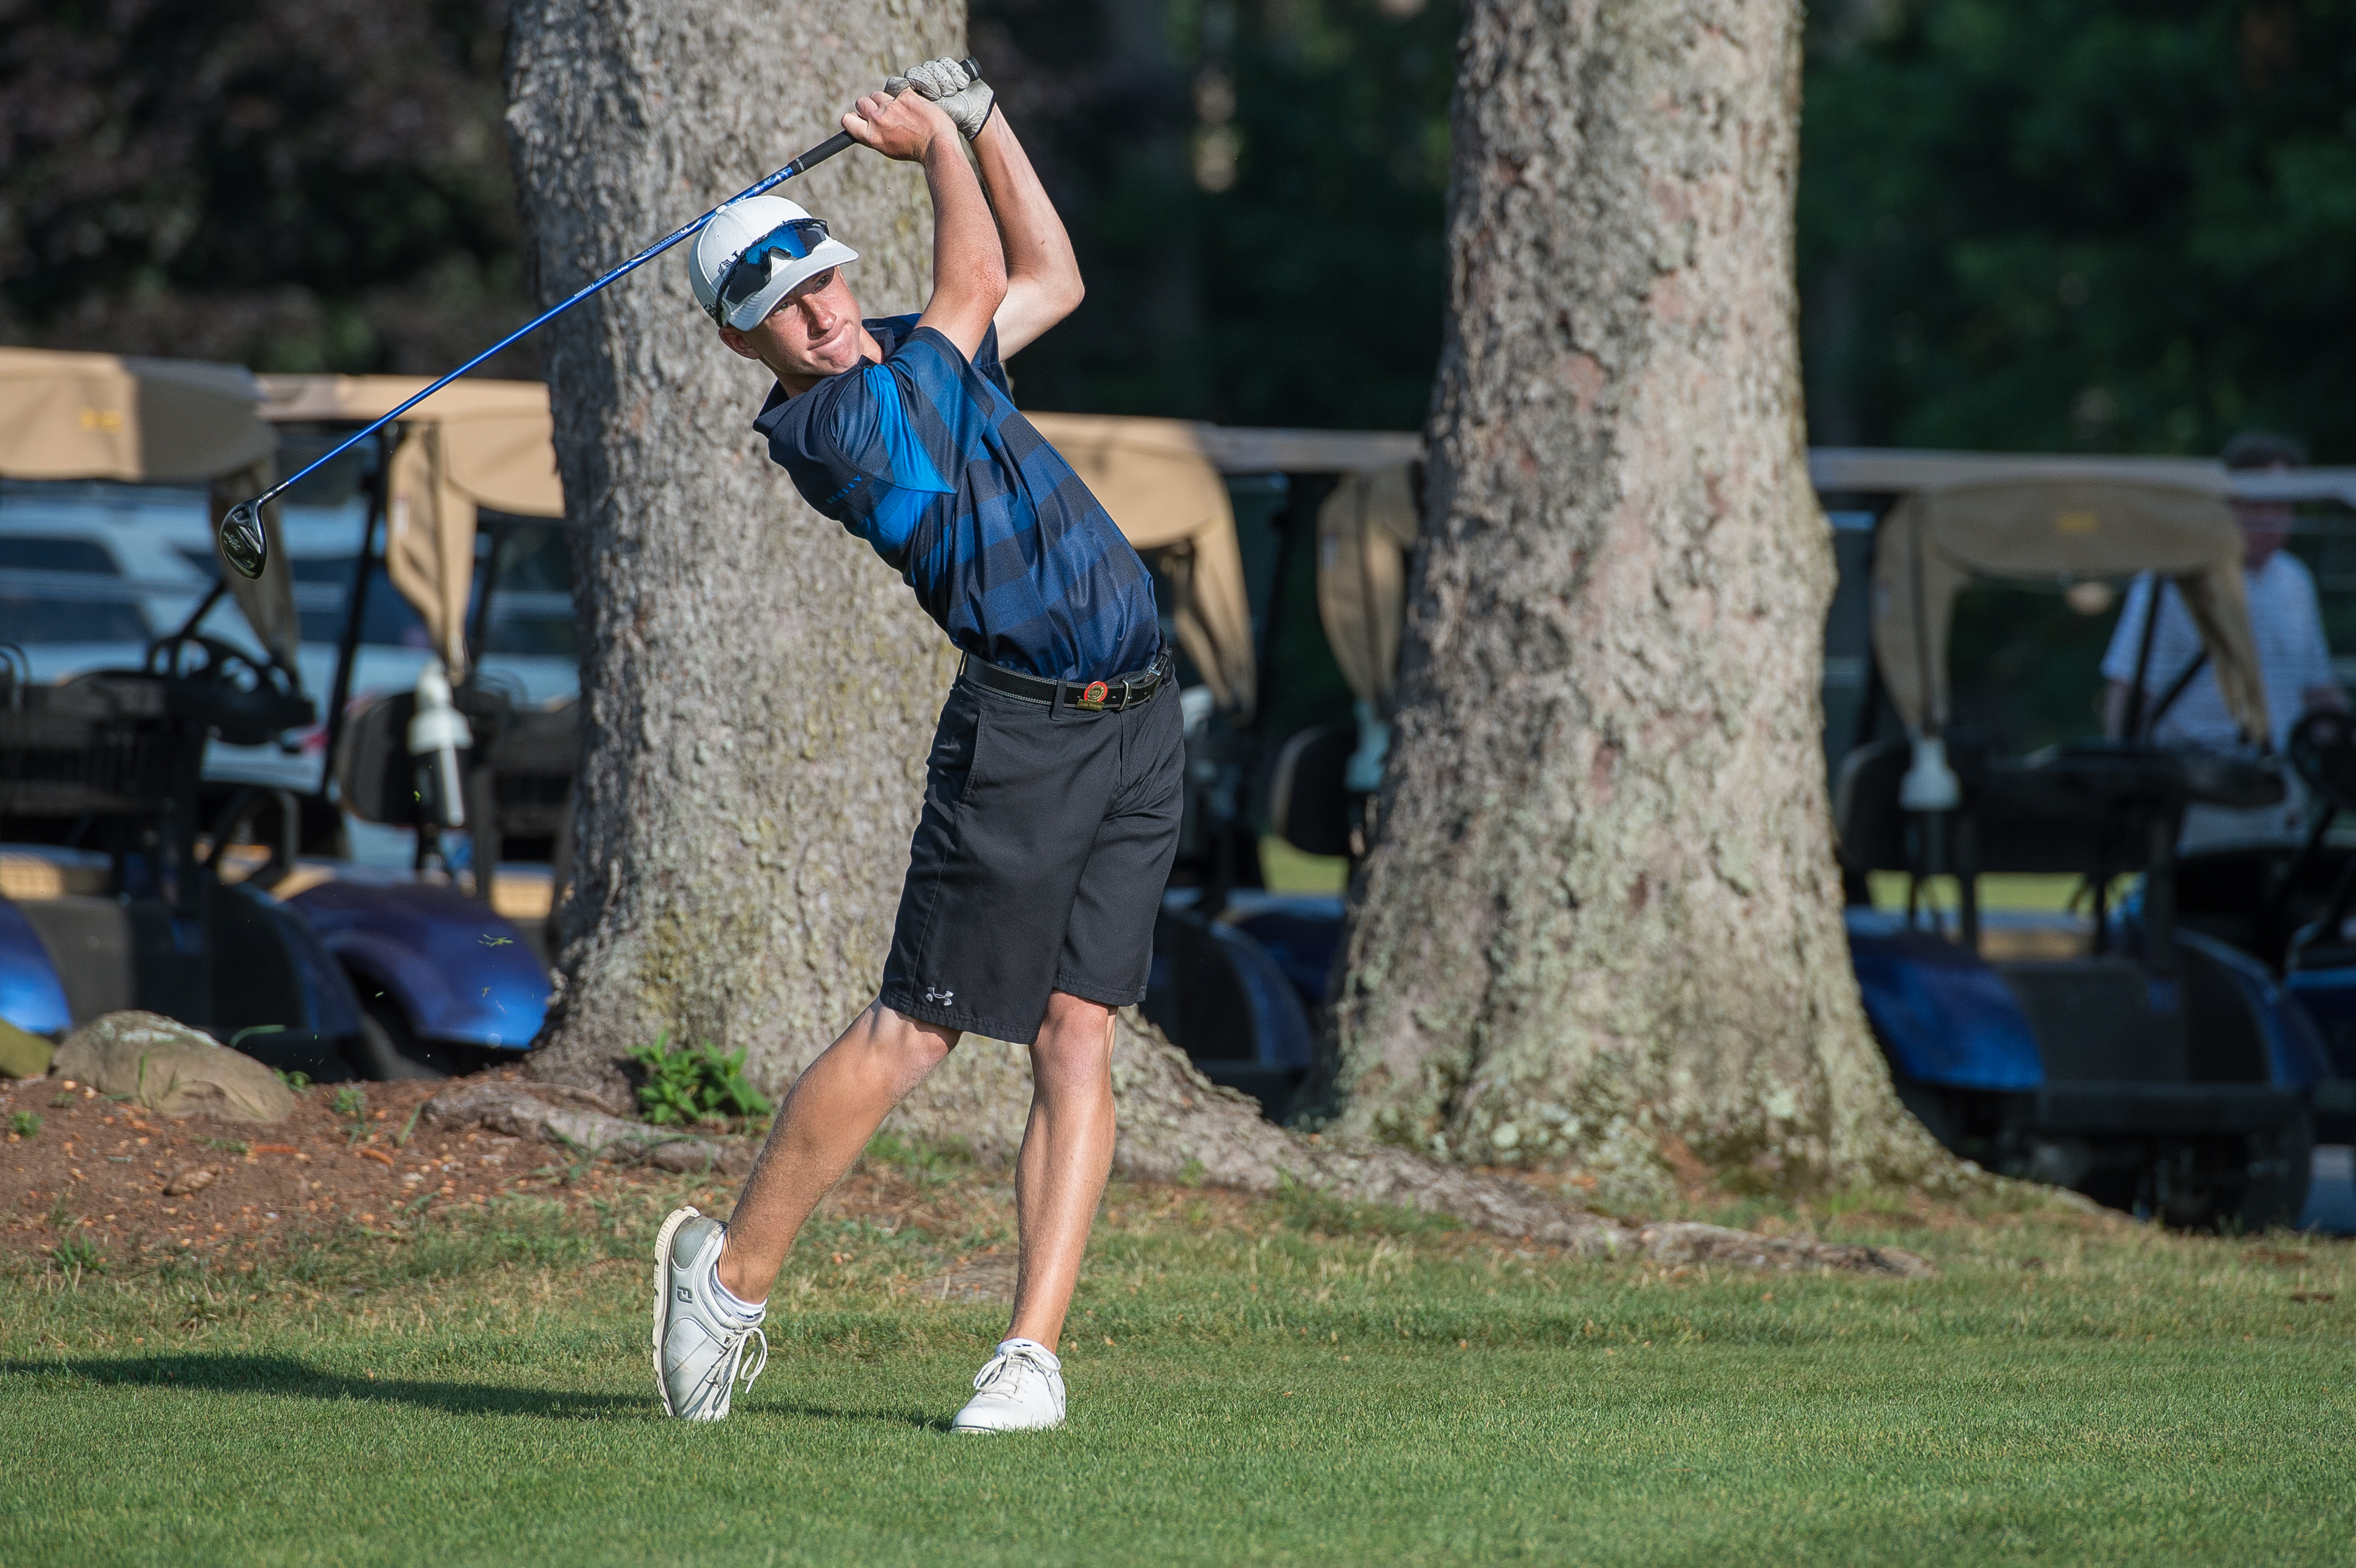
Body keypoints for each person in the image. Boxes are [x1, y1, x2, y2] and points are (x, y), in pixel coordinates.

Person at [650, 60, 1181, 1433]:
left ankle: (1028, 1358)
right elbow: (972, 281)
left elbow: (1044, 273)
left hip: (1137, 714)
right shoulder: (839, 422)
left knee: (1078, 1035)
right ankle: (730, 1280)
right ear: (742, 341)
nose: (822, 317)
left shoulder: (903, 348)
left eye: (823, 284)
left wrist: (994, 118)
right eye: (784, 309)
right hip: (1021, 734)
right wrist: (944, 146)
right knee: (919, 1028)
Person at [2101, 430, 2347, 846]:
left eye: (2284, 504)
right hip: (2198, 785)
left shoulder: (2293, 582)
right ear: (2230, 504)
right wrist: (2121, 787)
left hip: (2279, 784)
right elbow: (2127, 690)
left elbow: (2317, 691)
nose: (2274, 518)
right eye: (2259, 503)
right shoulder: (2175, 580)